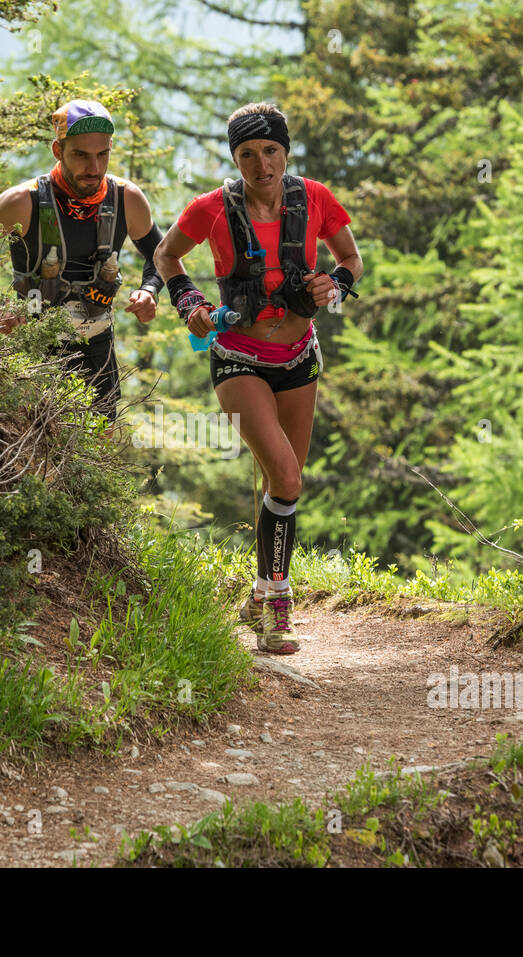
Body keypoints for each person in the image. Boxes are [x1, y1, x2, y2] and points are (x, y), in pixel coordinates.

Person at [154, 102, 363, 654]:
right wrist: (190, 303)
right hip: (238, 358)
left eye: (271, 151)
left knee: (283, 485)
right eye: (247, 154)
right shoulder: (210, 209)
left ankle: (259, 592)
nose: (261, 165)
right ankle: (277, 606)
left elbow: (350, 259)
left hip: (299, 357)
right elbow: (166, 255)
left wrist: (335, 286)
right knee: (288, 477)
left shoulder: (314, 198)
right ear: (235, 158)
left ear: (285, 151)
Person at [0, 99, 164, 419]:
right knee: (34, 435)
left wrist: (149, 290)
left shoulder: (126, 198)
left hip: (97, 348)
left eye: (102, 154)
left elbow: (161, 256)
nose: (94, 168)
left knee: (99, 439)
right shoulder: (23, 201)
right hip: (32, 348)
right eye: (80, 155)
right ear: (57, 150)